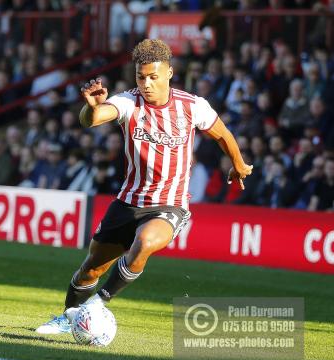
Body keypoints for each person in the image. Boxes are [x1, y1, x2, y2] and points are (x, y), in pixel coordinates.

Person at [36, 39, 253, 334]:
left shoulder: (192, 106)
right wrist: (91, 107)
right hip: (128, 202)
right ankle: (68, 316)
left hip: (170, 204)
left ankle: (96, 304)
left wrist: (238, 164)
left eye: (153, 76)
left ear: (169, 73)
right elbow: (93, 119)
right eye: (141, 76)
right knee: (92, 267)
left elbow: (222, 133)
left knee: (146, 242)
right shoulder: (128, 102)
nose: (147, 83)